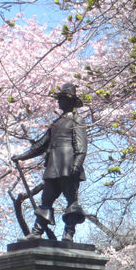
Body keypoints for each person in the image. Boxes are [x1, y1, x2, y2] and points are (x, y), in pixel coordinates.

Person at [11, 82, 87, 242]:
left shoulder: (77, 120)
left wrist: (77, 165)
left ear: (70, 101)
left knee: (72, 201)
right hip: (53, 167)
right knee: (46, 200)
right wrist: (21, 156)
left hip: (69, 165)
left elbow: (81, 147)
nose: (58, 102)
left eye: (62, 99)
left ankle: (68, 234)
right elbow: (40, 145)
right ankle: (37, 232)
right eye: (58, 99)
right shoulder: (55, 123)